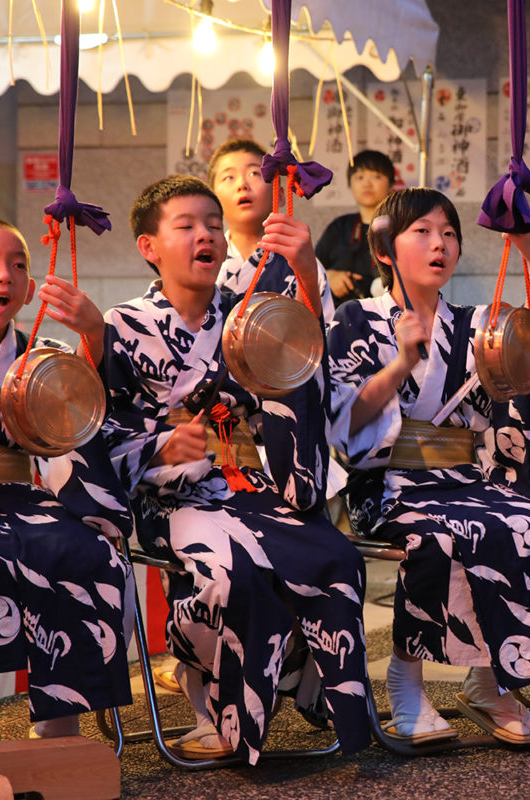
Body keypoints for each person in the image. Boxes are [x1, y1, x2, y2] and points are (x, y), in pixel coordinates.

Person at [101, 175, 370, 763]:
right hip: (169, 497)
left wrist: (302, 270)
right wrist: (159, 446)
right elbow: (95, 429)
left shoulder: (249, 315)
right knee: (231, 569)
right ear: (149, 247)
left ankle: (306, 694)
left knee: (334, 555)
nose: (207, 236)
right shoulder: (121, 325)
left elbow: (306, 367)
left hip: (249, 484)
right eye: (187, 226)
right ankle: (210, 708)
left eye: (214, 226)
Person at [326, 187, 530, 745]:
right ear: (385, 249)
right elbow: (346, 417)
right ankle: (405, 680)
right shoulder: (355, 318)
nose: (439, 244)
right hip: (389, 483)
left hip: (465, 478)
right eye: (422, 232)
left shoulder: (476, 321)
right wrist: (400, 363)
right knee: (439, 538)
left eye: (450, 233)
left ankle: (492, 681)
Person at [0, 218, 133, 744]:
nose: (5, 274)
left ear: (28, 290)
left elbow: (89, 419)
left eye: (19, 265)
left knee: (87, 552)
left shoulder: (42, 353)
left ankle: (61, 712)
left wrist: (93, 335)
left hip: (30, 494)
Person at [207, 138, 334, 319]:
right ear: (212, 201)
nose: (242, 184)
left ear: (280, 195)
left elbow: (320, 337)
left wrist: (307, 277)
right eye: (229, 177)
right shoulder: (204, 260)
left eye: (254, 173)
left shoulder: (302, 263)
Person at [315, 149, 396, 303]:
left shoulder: (401, 228)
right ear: (350, 184)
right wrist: (330, 277)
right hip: (339, 315)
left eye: (376, 176)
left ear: (391, 183)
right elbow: (312, 268)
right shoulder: (339, 227)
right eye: (359, 177)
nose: (367, 184)